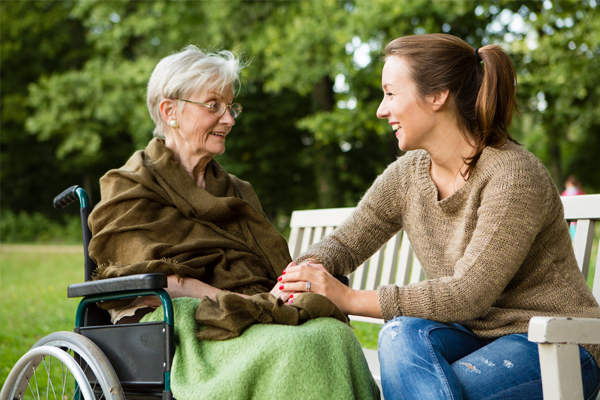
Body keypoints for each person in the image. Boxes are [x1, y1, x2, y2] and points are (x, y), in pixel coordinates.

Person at [278, 34, 600, 400]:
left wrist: (347, 297)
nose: (381, 111)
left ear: (437, 95)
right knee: (399, 334)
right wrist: (298, 276)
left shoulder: (512, 174)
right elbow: (344, 244)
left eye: (391, 93)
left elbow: (467, 294)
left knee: (432, 389)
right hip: (468, 336)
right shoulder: (407, 175)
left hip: (554, 342)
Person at [88, 46, 379, 400]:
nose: (229, 119)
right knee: (295, 349)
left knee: (333, 335)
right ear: (170, 111)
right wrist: (244, 303)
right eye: (213, 105)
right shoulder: (130, 185)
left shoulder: (236, 191)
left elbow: (267, 270)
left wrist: (273, 297)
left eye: (231, 107)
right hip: (177, 327)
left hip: (248, 314)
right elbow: (151, 279)